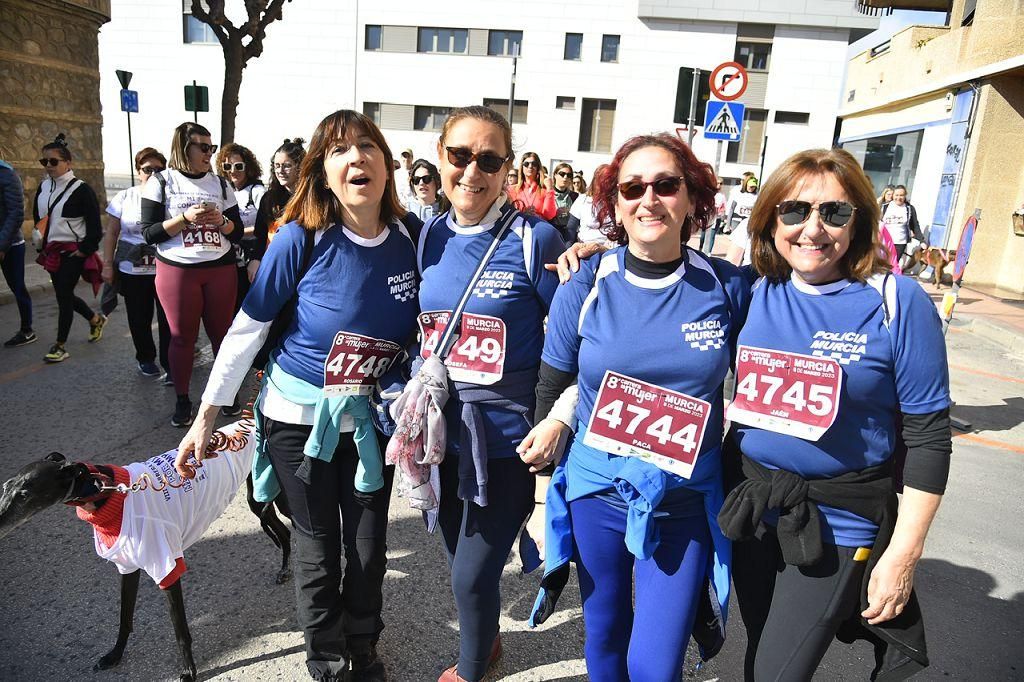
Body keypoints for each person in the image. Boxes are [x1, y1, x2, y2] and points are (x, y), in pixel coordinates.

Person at [176, 110, 417, 682]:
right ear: (322, 172)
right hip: (296, 422)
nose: (356, 157)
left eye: (367, 146)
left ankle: (363, 649)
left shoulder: (410, 239)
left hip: (370, 421)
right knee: (317, 549)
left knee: (367, 548)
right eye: (339, 151)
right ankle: (328, 662)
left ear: (386, 163)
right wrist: (206, 419)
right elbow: (246, 331)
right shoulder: (299, 239)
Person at [522, 133, 748, 680]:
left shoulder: (728, 286)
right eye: (633, 188)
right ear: (615, 205)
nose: (649, 199)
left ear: (692, 199)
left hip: (684, 500)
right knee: (604, 634)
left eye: (666, 185)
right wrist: (536, 501)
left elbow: (800, 314)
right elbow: (552, 391)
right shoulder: (585, 282)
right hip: (597, 490)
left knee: (656, 662)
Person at [719, 148, 951, 680]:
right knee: (762, 647)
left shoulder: (897, 300)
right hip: (753, 508)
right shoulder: (753, 289)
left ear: (860, 222)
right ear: (770, 220)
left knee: (778, 670)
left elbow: (930, 439)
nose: (813, 229)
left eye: (835, 213)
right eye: (795, 211)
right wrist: (594, 254)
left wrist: (904, 554)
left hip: (840, 519)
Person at [418, 106, 564, 682]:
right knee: (461, 560)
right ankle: (492, 643)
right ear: (441, 157)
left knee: (471, 576)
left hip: (506, 446)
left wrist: (559, 417)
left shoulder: (536, 238)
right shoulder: (427, 236)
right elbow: (419, 330)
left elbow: (576, 335)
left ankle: (473, 667)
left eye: (488, 159)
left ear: (508, 169)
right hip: (442, 441)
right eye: (460, 156)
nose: (472, 171)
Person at [140, 122, 242, 427]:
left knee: (222, 336)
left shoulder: (221, 184)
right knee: (182, 338)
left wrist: (221, 221)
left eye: (211, 147)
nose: (208, 153)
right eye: (202, 147)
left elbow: (236, 232)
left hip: (220, 267)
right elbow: (149, 233)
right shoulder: (161, 181)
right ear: (184, 148)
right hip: (178, 269)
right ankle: (183, 400)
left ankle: (227, 394)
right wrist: (184, 219)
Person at [32, 133, 105, 363]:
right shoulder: (43, 188)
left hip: (74, 253)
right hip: (51, 252)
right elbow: (39, 219)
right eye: (45, 162)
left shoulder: (81, 190)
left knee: (63, 296)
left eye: (54, 161)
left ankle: (60, 345)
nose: (49, 166)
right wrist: (40, 246)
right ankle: (95, 319)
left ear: (68, 163)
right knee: (63, 294)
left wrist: (84, 250)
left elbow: (95, 226)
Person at [101, 147, 171, 377]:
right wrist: (108, 264)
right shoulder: (125, 196)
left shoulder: (171, 198)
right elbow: (112, 233)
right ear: (138, 171)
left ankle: (171, 363)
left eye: (158, 169)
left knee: (169, 319)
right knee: (139, 319)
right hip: (133, 269)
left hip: (165, 268)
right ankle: (145, 358)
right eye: (147, 169)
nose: (152, 174)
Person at [216, 142, 266, 309]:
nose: (233, 171)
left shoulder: (257, 191)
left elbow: (266, 226)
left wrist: (237, 232)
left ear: (248, 167)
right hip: (231, 257)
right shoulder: (225, 192)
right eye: (227, 166)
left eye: (238, 166)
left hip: (252, 255)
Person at [253, 137, 306, 265]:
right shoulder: (269, 198)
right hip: (274, 262)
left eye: (287, 166)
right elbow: (260, 235)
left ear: (300, 167)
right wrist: (255, 259)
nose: (280, 171)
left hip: (305, 263)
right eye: (277, 166)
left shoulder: (313, 198)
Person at [0, 159, 34, 347]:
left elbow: (16, 214)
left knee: (17, 287)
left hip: (10, 244)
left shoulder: (7, 175)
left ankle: (27, 329)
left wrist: (1, 245)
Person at [566, 165, 614, 246]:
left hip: (610, 249)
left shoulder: (616, 202)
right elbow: (570, 230)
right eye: (603, 180)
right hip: (585, 248)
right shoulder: (582, 200)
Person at [507, 151, 556, 220]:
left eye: (534, 164)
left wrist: (550, 189)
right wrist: (522, 212)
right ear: (522, 167)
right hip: (517, 228)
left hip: (538, 228)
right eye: (526, 164)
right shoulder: (512, 189)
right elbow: (506, 213)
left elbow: (549, 215)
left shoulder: (545, 190)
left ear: (538, 167)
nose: (530, 166)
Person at [880, 184, 923, 261]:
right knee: (880, 263)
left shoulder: (909, 208)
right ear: (893, 195)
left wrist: (922, 240)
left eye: (901, 195)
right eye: (896, 195)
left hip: (900, 242)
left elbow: (915, 225)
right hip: (884, 241)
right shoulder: (884, 207)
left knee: (893, 265)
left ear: (905, 196)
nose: (898, 198)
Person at [549, 162, 579, 244]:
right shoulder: (547, 193)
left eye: (569, 175)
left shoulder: (575, 196)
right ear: (555, 175)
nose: (565, 177)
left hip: (568, 236)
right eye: (562, 174)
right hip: (551, 233)